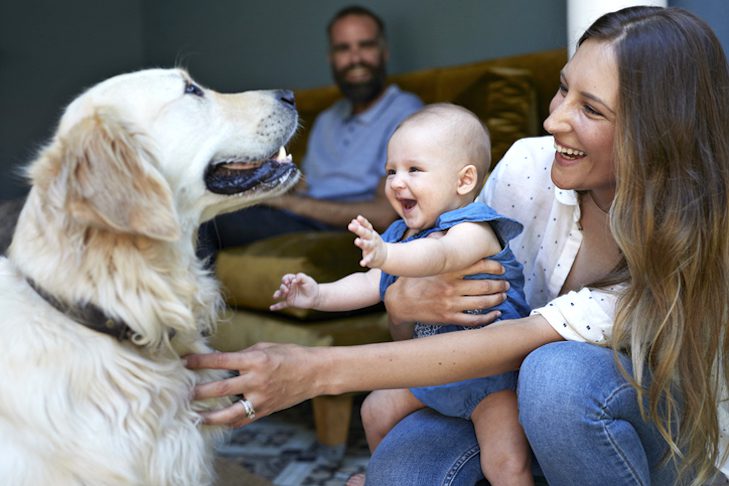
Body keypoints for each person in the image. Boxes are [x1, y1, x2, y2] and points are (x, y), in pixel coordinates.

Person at [186, 6, 729, 485]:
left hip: (653, 436)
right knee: (400, 471)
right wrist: (402, 302)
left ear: (654, 134)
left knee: (558, 377)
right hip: (506, 402)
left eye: (591, 109)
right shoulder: (526, 168)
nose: (553, 118)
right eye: (564, 88)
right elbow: (434, 323)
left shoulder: (687, 235)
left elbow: (518, 340)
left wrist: (312, 370)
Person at [270, 104, 532, 485]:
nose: (395, 182)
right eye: (391, 170)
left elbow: (441, 255)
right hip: (432, 372)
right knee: (375, 410)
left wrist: (389, 255)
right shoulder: (402, 235)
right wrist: (317, 296)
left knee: (505, 465)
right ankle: (379, 477)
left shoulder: (475, 227)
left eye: (414, 170)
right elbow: (367, 284)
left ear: (463, 181)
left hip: (489, 379)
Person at [196, 5, 423, 262]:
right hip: (296, 216)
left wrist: (286, 203)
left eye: (366, 45)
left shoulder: (406, 113)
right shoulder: (327, 119)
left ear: (384, 52)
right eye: (343, 48)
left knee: (209, 223)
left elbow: (385, 213)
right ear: (331, 58)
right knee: (202, 208)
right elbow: (307, 184)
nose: (355, 58)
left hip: (340, 228)